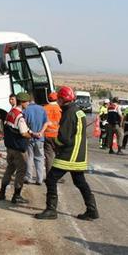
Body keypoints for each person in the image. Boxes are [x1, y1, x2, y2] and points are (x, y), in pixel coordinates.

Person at [35, 86, 99, 220]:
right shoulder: (78, 111)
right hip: (79, 154)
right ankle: (92, 210)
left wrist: (54, 143)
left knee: (51, 179)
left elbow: (63, 137)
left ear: (63, 99)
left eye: (59, 99)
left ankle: (51, 210)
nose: (57, 101)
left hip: (69, 155)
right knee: (80, 182)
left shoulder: (69, 113)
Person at [0, 92, 37, 204]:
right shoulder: (20, 116)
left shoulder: (11, 113)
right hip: (18, 149)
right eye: (27, 102)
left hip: (9, 147)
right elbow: (24, 133)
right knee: (21, 171)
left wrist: (30, 132)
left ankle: (2, 192)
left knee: (9, 169)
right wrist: (32, 135)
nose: (28, 104)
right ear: (22, 102)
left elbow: (10, 127)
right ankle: (16, 195)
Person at [24, 97, 48, 185]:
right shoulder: (42, 109)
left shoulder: (26, 110)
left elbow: (24, 125)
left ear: (28, 101)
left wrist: (33, 133)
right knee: (39, 158)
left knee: (29, 158)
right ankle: (39, 179)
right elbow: (46, 122)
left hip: (29, 138)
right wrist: (41, 132)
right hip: (40, 138)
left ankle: (28, 177)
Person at [43, 92, 62, 174]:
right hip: (57, 136)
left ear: (48, 98)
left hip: (47, 135)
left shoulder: (44, 108)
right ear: (57, 99)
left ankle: (49, 175)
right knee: (58, 156)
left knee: (49, 156)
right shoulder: (60, 109)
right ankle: (57, 175)